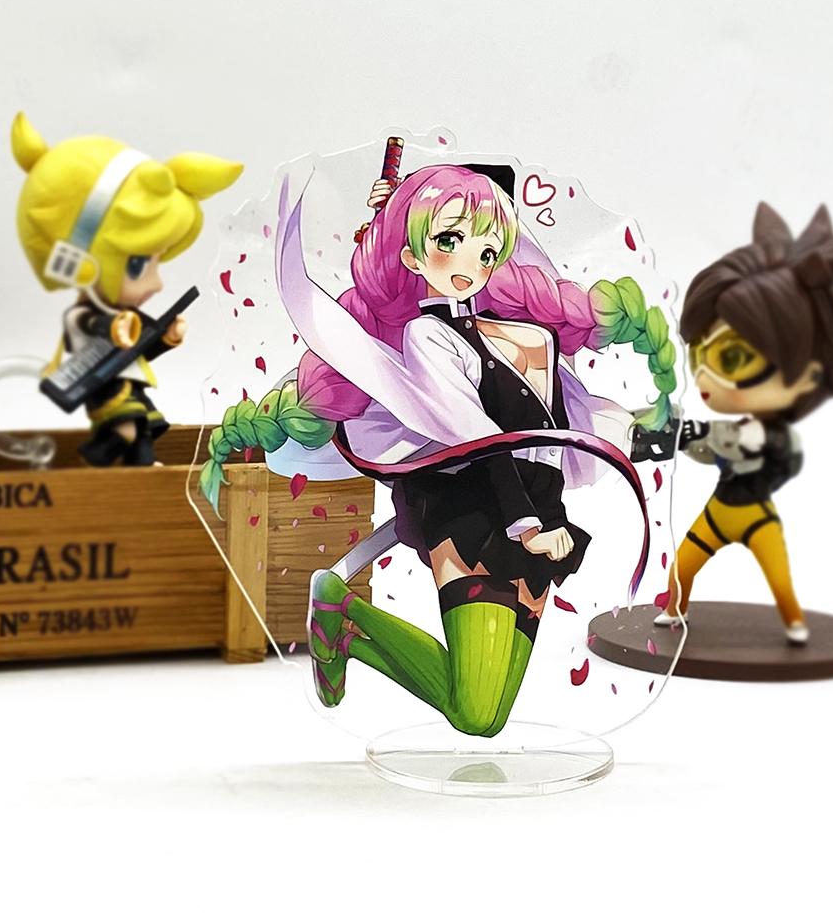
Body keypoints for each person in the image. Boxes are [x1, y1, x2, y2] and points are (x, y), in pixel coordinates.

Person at [276, 160, 673, 737]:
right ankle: (344, 609)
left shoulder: (532, 337)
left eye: (487, 250)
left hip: (542, 518)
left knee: (489, 720)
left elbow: (557, 434)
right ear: (412, 257)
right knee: (474, 712)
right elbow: (477, 437)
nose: (470, 262)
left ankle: (347, 630)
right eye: (448, 241)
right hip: (476, 516)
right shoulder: (428, 337)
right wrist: (526, 526)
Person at [645, 202, 833, 643]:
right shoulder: (733, 430)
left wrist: (749, 452)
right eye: (701, 356)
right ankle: (675, 610)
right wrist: (677, 437)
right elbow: (705, 443)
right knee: (682, 566)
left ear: (808, 375)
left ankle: (794, 623)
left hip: (757, 517)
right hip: (718, 513)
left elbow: (784, 465)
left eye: (733, 358)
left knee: (780, 581)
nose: (706, 379)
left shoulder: (778, 438)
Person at [12, 113, 241, 465]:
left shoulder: (125, 316)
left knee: (144, 429)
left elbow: (140, 350)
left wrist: (165, 339)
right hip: (105, 391)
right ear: (78, 260)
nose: (156, 283)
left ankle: (142, 472)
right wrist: (114, 328)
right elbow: (90, 328)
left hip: (128, 388)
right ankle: (95, 464)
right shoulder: (85, 314)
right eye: (137, 265)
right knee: (127, 430)